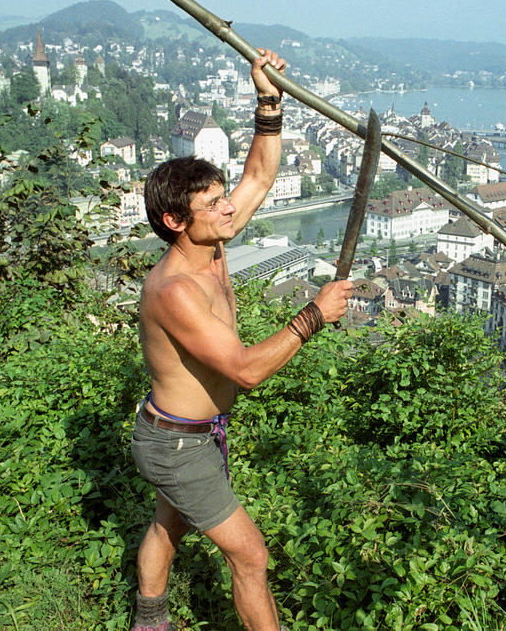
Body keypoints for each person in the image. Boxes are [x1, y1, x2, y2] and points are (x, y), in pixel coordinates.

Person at [130, 48, 353, 631]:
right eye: (214, 204)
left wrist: (268, 96)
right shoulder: (175, 290)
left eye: (222, 196)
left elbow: (260, 174)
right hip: (176, 444)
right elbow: (245, 370)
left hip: (187, 434)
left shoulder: (214, 242)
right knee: (251, 556)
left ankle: (149, 621)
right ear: (177, 222)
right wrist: (312, 315)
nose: (231, 207)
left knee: (166, 525)